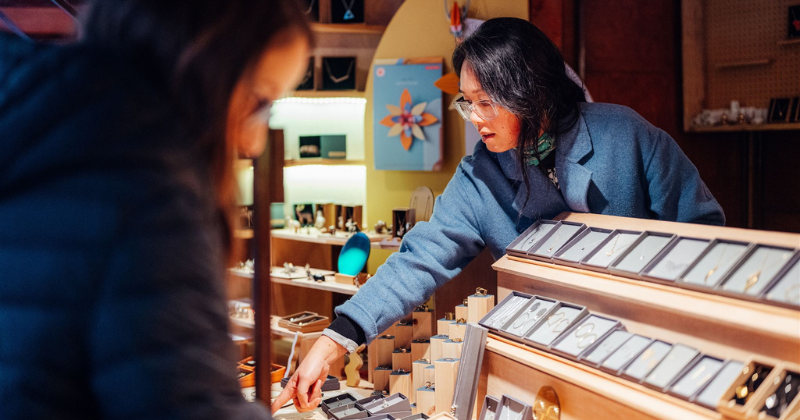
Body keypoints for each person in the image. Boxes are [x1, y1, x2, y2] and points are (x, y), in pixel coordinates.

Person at [274, 17, 725, 411]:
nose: (474, 117)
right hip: (546, 355)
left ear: (530, 94)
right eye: (467, 102)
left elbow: (705, 232)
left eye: (486, 102)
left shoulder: (624, 133)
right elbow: (419, 258)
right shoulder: (479, 176)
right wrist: (337, 339)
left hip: (648, 350)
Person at [0, 1, 311, 418]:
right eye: (259, 103)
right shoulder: (150, 195)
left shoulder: (35, 119)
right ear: (204, 66)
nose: (253, 145)